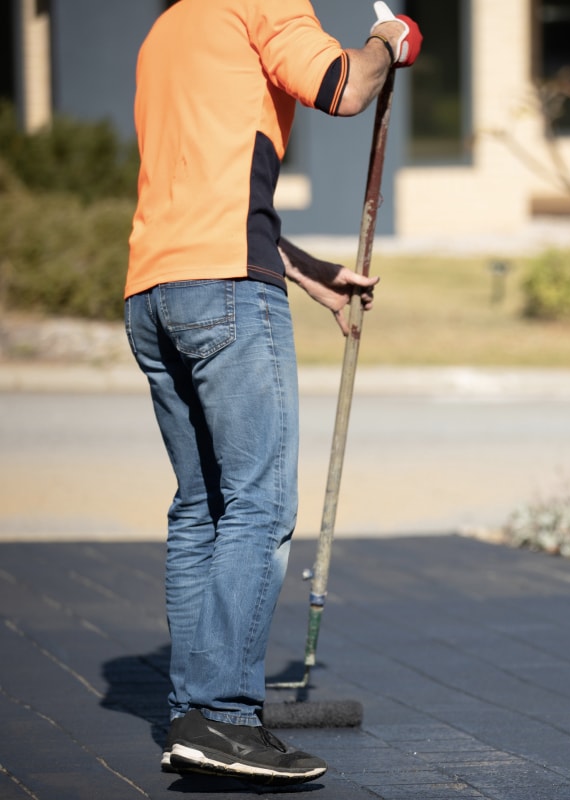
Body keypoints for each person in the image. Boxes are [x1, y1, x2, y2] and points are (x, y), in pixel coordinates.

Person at [123, 0, 421, 786]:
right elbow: (344, 86)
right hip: (224, 288)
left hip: (154, 291)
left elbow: (206, 186)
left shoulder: (166, 33)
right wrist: (390, 40)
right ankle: (222, 716)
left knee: (203, 506)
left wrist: (307, 272)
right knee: (258, 504)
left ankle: (194, 717)